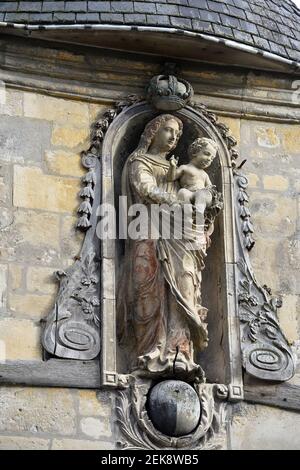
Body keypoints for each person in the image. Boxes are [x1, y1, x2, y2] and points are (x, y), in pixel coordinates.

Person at [117, 114, 217, 380]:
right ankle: (149, 349)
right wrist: (175, 201)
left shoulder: (180, 168)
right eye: (168, 131)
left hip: (179, 234)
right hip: (147, 230)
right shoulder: (140, 161)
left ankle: (179, 351)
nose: (173, 137)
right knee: (147, 286)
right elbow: (146, 188)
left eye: (176, 133)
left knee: (182, 288)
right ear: (152, 132)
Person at [167, 137, 218, 215]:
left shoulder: (204, 174)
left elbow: (211, 188)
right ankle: (188, 214)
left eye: (212, 158)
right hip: (190, 194)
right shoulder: (185, 168)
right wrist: (173, 166)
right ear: (195, 152)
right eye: (207, 154)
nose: (209, 159)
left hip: (203, 197)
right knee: (182, 192)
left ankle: (198, 212)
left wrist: (210, 191)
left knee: (202, 194)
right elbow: (171, 178)